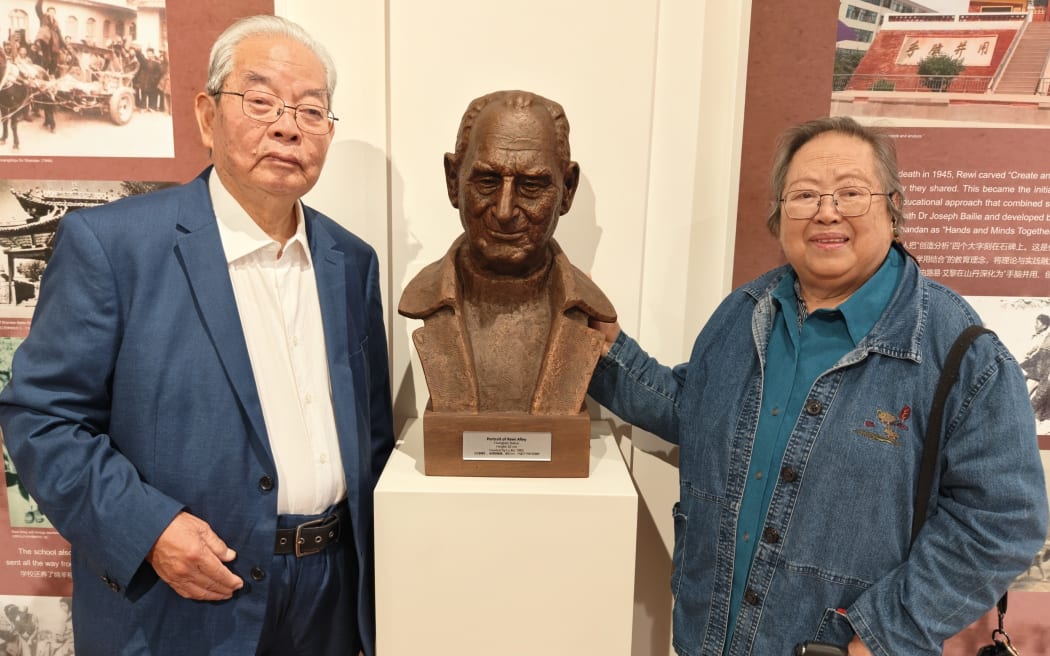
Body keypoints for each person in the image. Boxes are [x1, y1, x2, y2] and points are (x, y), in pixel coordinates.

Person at [0, 14, 393, 656]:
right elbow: (42, 418)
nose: (288, 126)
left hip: (329, 597)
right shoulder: (113, 246)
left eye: (311, 110)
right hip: (182, 599)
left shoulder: (350, 261)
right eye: (261, 101)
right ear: (208, 117)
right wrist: (149, 529)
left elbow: (371, 432)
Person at [587, 116, 1048, 655]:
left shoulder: (960, 353)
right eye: (805, 195)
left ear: (893, 207)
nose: (827, 212)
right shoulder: (744, 313)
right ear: (780, 214)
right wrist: (605, 349)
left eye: (850, 192)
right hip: (706, 640)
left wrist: (878, 639)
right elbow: (692, 410)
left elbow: (1004, 520)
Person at [398, 90, 615, 414]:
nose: (504, 211)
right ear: (453, 180)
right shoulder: (423, 296)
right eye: (487, 181)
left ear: (567, 189)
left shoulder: (588, 308)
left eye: (531, 186)